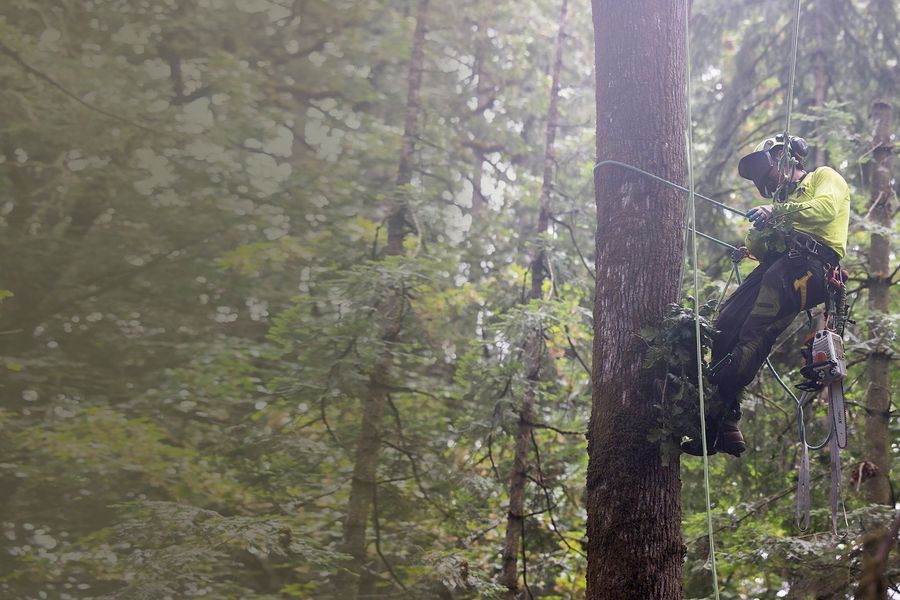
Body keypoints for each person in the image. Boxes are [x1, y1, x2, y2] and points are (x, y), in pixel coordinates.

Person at [682, 134, 851, 457]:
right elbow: (760, 247)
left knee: (753, 332)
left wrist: (778, 213)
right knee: (726, 323)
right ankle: (726, 419)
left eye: (766, 171)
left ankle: (715, 412)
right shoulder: (780, 205)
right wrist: (758, 232)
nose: (768, 180)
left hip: (814, 266)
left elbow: (827, 208)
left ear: (784, 157)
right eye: (764, 180)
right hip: (782, 266)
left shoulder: (823, 177)